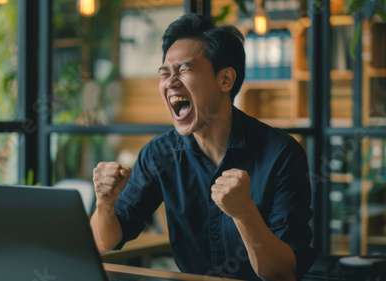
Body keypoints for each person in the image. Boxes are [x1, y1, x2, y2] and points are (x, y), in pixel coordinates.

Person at [90, 13, 315, 281]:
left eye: (184, 70)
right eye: (165, 73)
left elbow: (282, 273)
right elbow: (105, 242)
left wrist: (245, 213)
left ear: (225, 80)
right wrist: (105, 203)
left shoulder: (281, 154)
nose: (171, 82)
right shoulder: (159, 154)